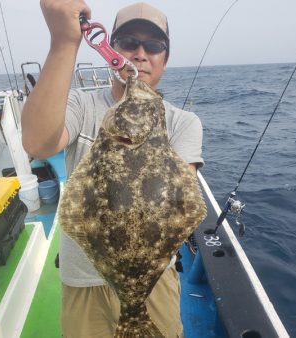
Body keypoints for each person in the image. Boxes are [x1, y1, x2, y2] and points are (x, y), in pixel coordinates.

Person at [22, 1, 204, 337]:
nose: (139, 53)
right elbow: (37, 145)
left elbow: (178, 203)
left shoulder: (183, 123)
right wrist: (64, 42)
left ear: (165, 57)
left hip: (153, 283)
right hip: (82, 282)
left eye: (153, 46)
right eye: (127, 44)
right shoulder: (82, 104)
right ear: (111, 50)